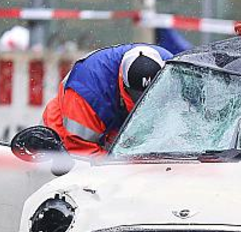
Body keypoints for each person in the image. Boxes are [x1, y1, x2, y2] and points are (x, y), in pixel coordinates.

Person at [42, 43, 172, 154]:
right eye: (138, 97)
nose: (143, 103)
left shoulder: (173, 70)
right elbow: (80, 150)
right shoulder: (86, 90)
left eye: (150, 96)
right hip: (67, 135)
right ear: (122, 81)